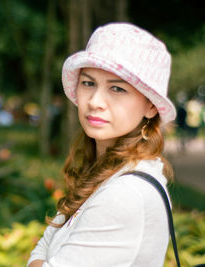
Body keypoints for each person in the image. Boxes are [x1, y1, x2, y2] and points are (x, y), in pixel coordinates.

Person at [27, 22, 176, 267]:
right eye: (88, 83)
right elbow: (42, 248)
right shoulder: (106, 172)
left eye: (117, 88)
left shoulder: (126, 194)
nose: (95, 101)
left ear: (151, 106)